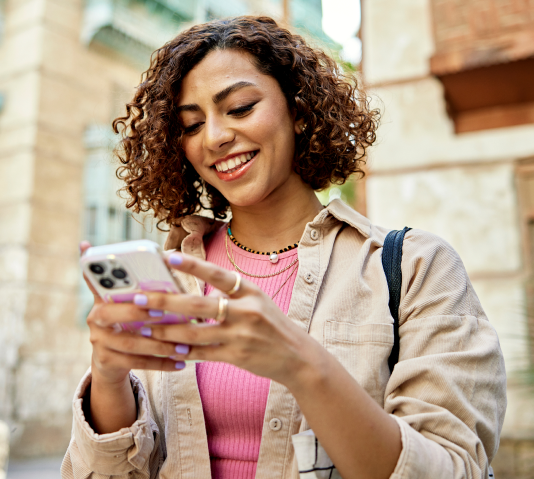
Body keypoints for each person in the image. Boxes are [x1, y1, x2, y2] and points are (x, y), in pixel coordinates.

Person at [61, 16, 506, 479]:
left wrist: (302, 364)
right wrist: (109, 380)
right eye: (191, 125)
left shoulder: (415, 269)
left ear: (297, 109)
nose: (214, 137)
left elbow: (455, 468)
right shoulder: (171, 279)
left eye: (240, 108)